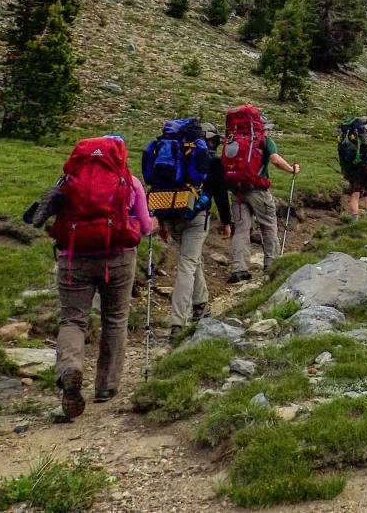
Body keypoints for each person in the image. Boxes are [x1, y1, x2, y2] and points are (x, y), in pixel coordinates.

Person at [39, 136, 155, 420]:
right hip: (118, 258)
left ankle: (70, 369)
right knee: (115, 319)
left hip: (74, 257)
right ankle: (106, 386)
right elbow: (146, 228)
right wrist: (150, 223)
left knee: (72, 320)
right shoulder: (131, 182)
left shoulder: (67, 181)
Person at [162, 122, 233, 336]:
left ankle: (200, 303)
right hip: (196, 216)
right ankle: (178, 322)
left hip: (170, 213)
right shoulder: (211, 160)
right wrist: (226, 222)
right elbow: (221, 194)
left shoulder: (172, 152)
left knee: (192, 259)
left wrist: (162, 221)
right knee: (187, 265)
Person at [225, 107, 299, 283]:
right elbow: (275, 160)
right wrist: (291, 170)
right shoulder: (264, 140)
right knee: (268, 225)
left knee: (241, 229)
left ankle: (239, 269)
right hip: (258, 190)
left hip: (237, 190)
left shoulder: (231, 139)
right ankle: (271, 263)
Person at [339, 116, 367, 220]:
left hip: (351, 170)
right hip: (366, 168)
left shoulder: (347, 136)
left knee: (355, 193)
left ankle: (354, 220)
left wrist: (344, 170)